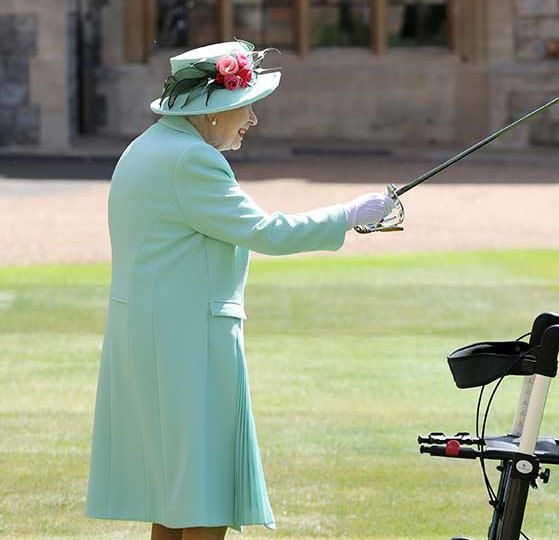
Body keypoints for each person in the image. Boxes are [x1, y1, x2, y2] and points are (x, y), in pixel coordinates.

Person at [85, 41, 397, 539]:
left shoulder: (145, 146)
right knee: (207, 490)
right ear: (212, 112)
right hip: (190, 342)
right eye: (243, 105)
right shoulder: (192, 160)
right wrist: (351, 215)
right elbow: (267, 232)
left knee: (174, 490)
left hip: (145, 337)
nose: (250, 118)